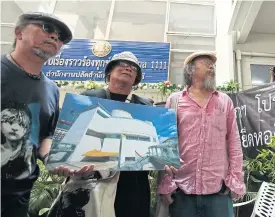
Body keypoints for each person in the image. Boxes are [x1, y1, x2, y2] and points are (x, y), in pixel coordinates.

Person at [48, 51, 171, 217]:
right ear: (109, 72)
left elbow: (156, 146)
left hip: (133, 186)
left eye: (134, 67)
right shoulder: (88, 98)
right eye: (122, 64)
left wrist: (166, 159)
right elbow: (70, 136)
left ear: (136, 79)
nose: (128, 68)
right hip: (91, 180)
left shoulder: (145, 106)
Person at [1, 12, 72, 217]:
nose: (54, 37)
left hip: (18, 196)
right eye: (46, 28)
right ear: (19, 33)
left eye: (60, 38)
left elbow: (45, 135)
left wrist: (53, 158)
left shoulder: (51, 89)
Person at [158, 51, 246, 217]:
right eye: (206, 63)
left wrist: (235, 180)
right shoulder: (175, 100)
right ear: (191, 70)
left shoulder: (224, 101)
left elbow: (234, 142)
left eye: (212, 64)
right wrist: (167, 183)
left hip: (218, 192)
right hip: (182, 191)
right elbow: (165, 144)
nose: (211, 66)